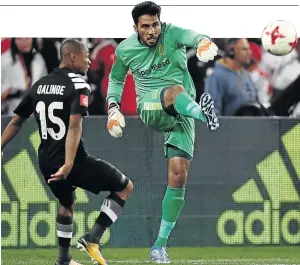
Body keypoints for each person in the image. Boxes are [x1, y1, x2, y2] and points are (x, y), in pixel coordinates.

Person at [1, 39, 133, 265]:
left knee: (67, 204)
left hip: (46, 162)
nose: (90, 60)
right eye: (86, 55)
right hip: (71, 161)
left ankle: (64, 260)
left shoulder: (40, 84)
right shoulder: (78, 84)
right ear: (73, 56)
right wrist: (70, 163)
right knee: (124, 187)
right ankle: (92, 239)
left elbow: (16, 121)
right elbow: (74, 126)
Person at [105, 1, 219, 263]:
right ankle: (205, 115)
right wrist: (113, 109)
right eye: (145, 26)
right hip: (151, 104)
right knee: (175, 91)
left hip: (183, 111)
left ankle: (159, 246)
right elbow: (116, 79)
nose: (152, 30)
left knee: (178, 175)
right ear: (135, 27)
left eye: (155, 24)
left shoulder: (172, 33)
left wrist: (203, 43)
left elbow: (194, 36)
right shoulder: (126, 49)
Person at [204, 38, 258, 116]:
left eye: (249, 49)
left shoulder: (246, 74)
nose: (249, 53)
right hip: (230, 127)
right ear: (231, 51)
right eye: (244, 49)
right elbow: (212, 112)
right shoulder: (216, 76)